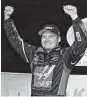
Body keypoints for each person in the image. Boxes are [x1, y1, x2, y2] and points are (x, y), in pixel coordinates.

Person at [4, 5, 87, 96]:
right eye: (44, 36)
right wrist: (7, 19)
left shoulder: (65, 55)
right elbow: (16, 41)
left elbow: (81, 43)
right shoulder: (34, 53)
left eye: (51, 36)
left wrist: (74, 17)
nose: (46, 39)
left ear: (58, 39)